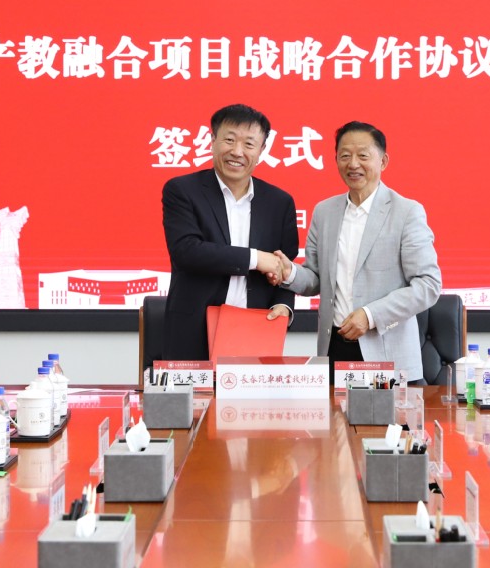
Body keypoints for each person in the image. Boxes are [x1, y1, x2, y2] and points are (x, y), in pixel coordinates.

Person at [273, 121, 441, 383]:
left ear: (383, 161)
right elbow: (316, 279)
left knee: (383, 413)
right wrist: (290, 273)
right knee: (333, 412)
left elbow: (428, 285)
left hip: (385, 352)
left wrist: (371, 315)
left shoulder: (407, 212)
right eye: (345, 156)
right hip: (334, 347)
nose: (353, 164)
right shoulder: (324, 212)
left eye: (363, 155)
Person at [161, 104, 299, 361]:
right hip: (192, 334)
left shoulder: (279, 202)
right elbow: (186, 251)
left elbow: (284, 266)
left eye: (249, 144)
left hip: (257, 332)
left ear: (262, 150)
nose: (237, 151)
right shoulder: (183, 190)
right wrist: (256, 258)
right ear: (212, 140)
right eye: (229, 140)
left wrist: (283, 305)